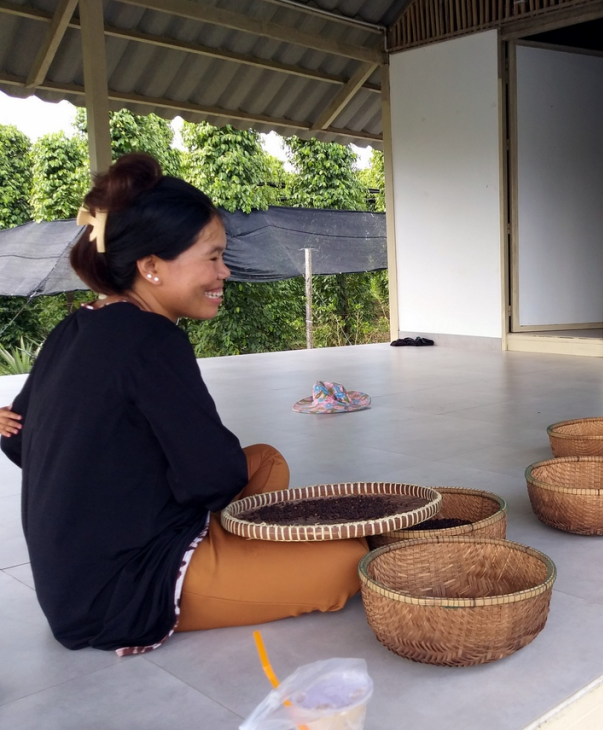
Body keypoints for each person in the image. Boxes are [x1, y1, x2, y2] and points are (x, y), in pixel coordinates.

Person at [0, 153, 368, 653]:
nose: (225, 272)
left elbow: (16, 439)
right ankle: (216, 561)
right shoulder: (152, 340)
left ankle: (226, 549)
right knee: (346, 560)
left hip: (70, 576)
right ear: (151, 267)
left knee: (266, 462)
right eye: (212, 257)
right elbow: (210, 478)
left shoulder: (77, 324)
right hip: (121, 589)